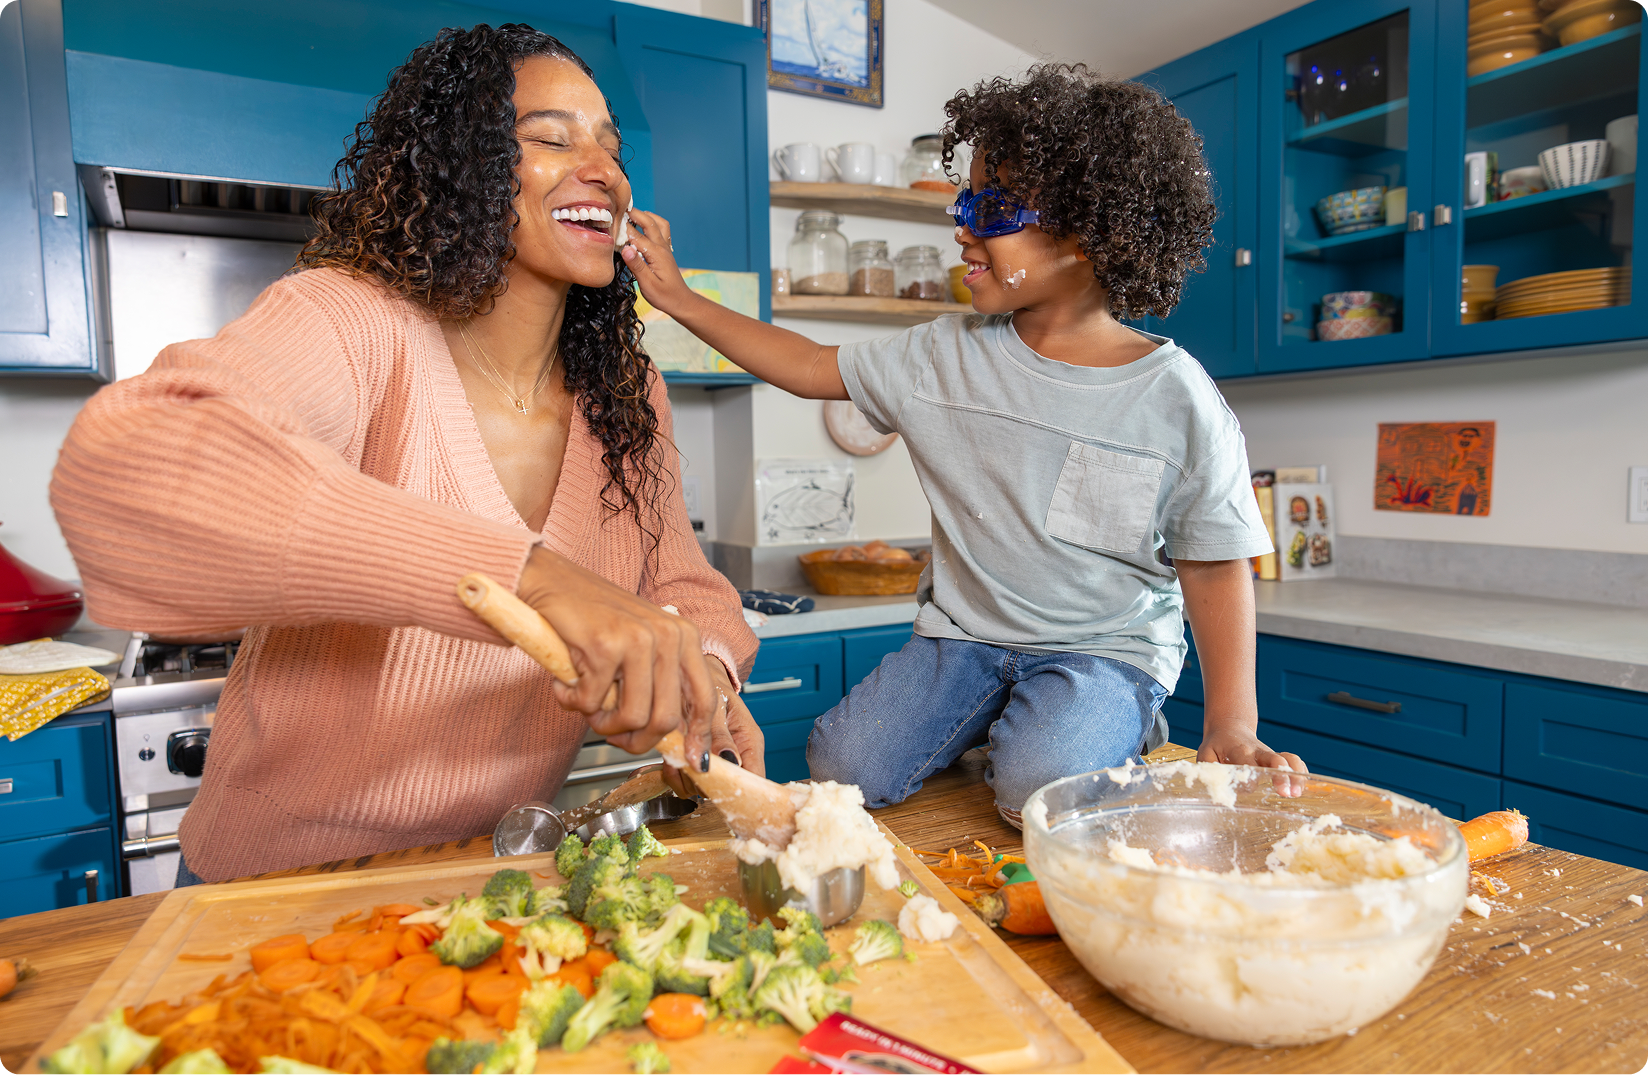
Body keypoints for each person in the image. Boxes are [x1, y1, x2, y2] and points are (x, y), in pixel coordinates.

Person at [49, 24, 759, 882]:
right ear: (459, 165)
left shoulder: (625, 390)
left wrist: (705, 674)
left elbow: (685, 587)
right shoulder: (351, 323)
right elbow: (131, 468)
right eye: (550, 137)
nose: (604, 170)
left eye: (610, 144)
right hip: (271, 889)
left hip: (483, 877)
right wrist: (534, 577)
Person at [619, 64, 1306, 828]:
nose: (961, 223)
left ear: (1087, 232)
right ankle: (1004, 716)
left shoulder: (1176, 398)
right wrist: (676, 299)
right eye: (964, 197)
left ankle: (1116, 723)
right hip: (964, 638)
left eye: (994, 205)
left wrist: (1230, 725)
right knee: (842, 765)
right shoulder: (939, 355)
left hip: (1103, 650)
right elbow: (810, 365)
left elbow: (1215, 565)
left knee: (1039, 791)